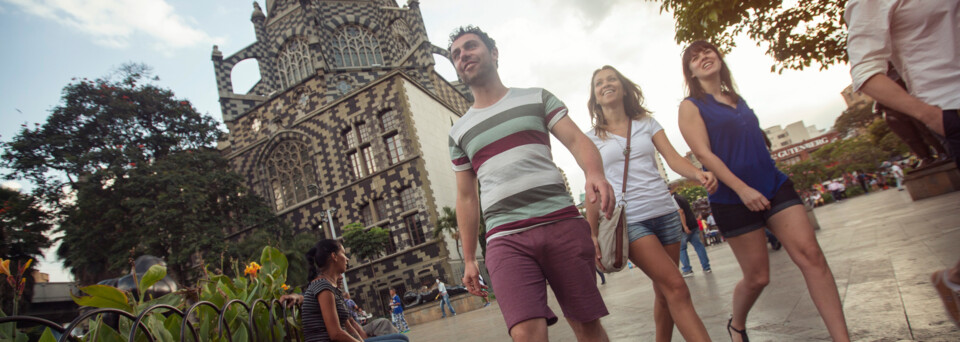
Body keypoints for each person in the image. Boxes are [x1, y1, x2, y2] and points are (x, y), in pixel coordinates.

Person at [447, 25, 615, 342]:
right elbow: (467, 197)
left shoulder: (537, 97)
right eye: (456, 54)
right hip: (505, 240)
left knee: (587, 325)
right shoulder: (458, 132)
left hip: (561, 223)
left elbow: (578, 141)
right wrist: (469, 259)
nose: (463, 56)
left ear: (493, 53)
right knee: (525, 334)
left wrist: (594, 173)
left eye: (470, 47)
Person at [677, 40, 850, 342]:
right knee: (758, 277)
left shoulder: (736, 99)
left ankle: (842, 338)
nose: (703, 57)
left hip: (774, 184)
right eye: (694, 58)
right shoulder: (691, 106)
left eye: (707, 51)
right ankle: (737, 323)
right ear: (690, 72)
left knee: (812, 255)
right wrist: (742, 189)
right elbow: (704, 154)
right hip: (732, 198)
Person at [584, 65, 716, 342]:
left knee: (664, 291)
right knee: (677, 287)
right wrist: (592, 233)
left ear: (622, 87)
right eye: (599, 83)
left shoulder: (646, 123)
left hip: (666, 213)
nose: (606, 84)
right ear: (595, 96)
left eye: (612, 79)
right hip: (631, 221)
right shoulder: (591, 139)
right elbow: (593, 188)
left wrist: (696, 173)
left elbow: (673, 158)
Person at [300, 239, 409, 342]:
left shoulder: (330, 287)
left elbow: (348, 324)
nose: (347, 259)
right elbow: (335, 334)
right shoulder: (323, 287)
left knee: (402, 338)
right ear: (334, 256)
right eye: (344, 254)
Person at [672, 191, 711, 278]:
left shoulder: (673, 199)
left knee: (682, 249)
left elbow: (680, 212)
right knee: (699, 246)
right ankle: (706, 267)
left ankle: (687, 269)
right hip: (693, 224)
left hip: (684, 228)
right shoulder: (681, 197)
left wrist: (684, 226)